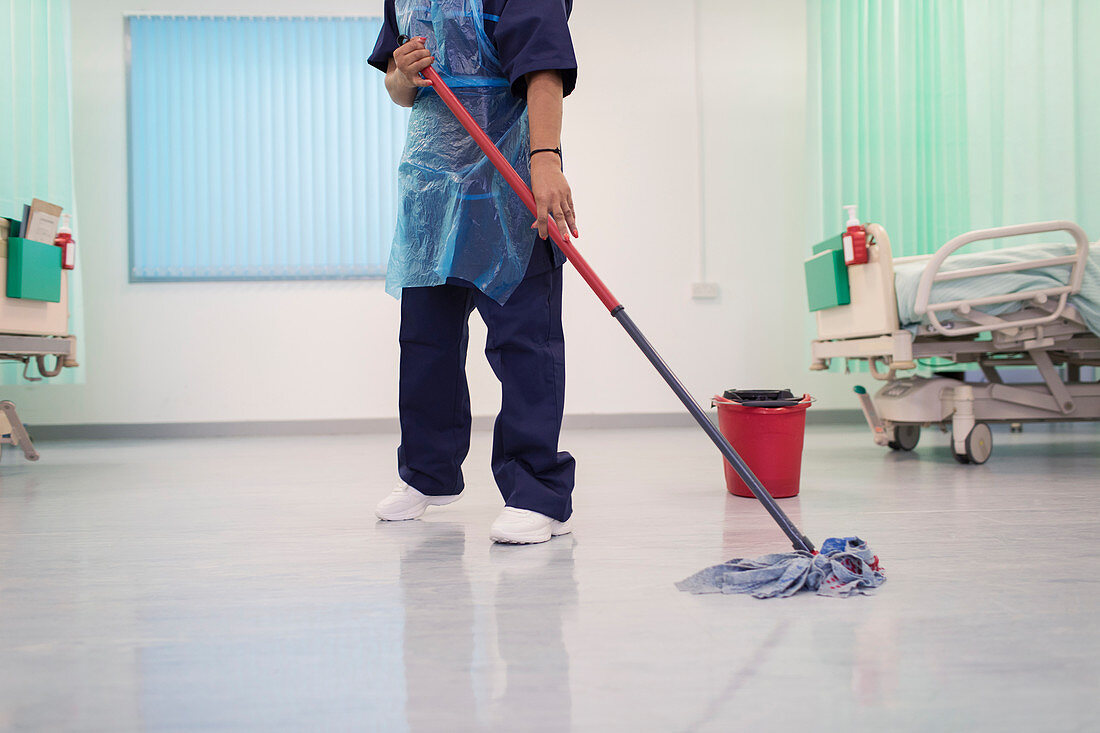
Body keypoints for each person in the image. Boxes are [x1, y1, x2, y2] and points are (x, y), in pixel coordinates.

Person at [367, 0, 579, 544]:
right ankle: (428, 474)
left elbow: (545, 71)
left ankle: (537, 494)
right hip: (434, 188)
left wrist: (546, 160)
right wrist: (404, 72)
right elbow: (397, 87)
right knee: (425, 343)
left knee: (524, 344)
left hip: (507, 183)